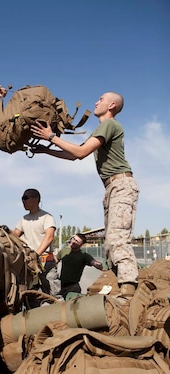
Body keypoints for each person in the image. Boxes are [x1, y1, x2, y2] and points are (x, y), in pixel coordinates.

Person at [30, 92, 140, 299]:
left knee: (117, 239)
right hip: (112, 187)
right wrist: (46, 150)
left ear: (112, 105)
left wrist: (51, 137)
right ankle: (121, 284)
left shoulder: (110, 125)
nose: (96, 101)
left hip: (121, 184)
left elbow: (80, 153)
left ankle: (128, 288)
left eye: (101, 99)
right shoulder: (102, 128)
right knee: (109, 244)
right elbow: (75, 154)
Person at [11, 188, 60, 296]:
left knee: (54, 294)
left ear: (36, 199)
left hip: (45, 262)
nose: (23, 201)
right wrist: (3, 229)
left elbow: (49, 236)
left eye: (26, 198)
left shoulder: (47, 217)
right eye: (22, 199)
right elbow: (15, 235)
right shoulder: (24, 219)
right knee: (31, 295)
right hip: (30, 264)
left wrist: (36, 254)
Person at [56, 233, 103, 299]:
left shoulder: (84, 255)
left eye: (76, 241)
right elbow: (55, 261)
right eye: (73, 239)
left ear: (81, 245)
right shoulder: (64, 251)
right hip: (62, 285)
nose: (73, 242)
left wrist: (101, 266)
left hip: (73, 287)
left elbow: (94, 263)